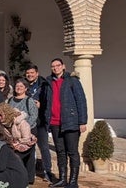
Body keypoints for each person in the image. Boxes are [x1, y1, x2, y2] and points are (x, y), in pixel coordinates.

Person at [46, 58, 87, 188]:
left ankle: (73, 181)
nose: (55, 68)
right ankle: (62, 179)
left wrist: (82, 121)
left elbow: (81, 101)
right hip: (54, 122)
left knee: (72, 152)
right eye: (53, 66)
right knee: (60, 152)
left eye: (58, 65)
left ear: (63, 66)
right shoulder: (48, 82)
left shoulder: (72, 81)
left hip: (71, 122)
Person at [0, 102, 37, 186]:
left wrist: (15, 143)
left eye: (0, 115)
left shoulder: (22, 123)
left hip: (27, 144)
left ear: (7, 113)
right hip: (15, 144)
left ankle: (23, 179)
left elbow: (26, 138)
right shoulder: (3, 124)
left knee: (15, 158)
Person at [25, 63, 54, 183]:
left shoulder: (44, 84)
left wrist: (41, 106)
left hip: (40, 121)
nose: (30, 75)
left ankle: (48, 172)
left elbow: (50, 101)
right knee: (28, 147)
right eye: (28, 73)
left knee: (43, 147)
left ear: (37, 73)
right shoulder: (24, 85)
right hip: (27, 122)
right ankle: (28, 173)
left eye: (32, 73)